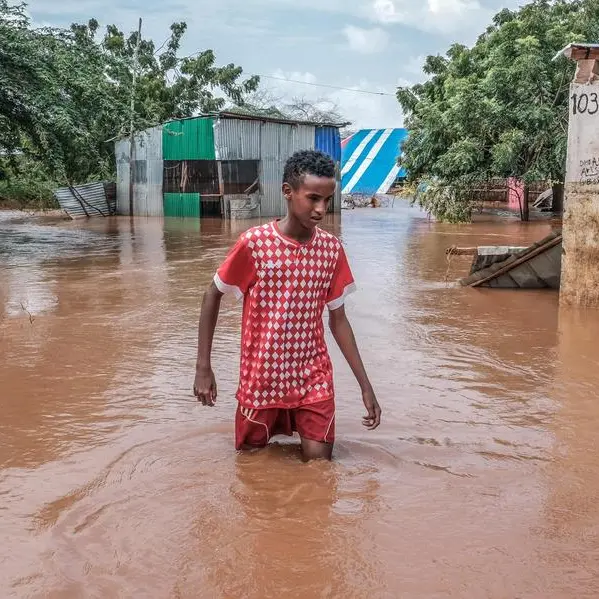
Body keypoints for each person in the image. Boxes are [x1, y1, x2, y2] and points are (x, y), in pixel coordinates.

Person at [193, 150, 381, 461]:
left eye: (327, 199)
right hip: (261, 378)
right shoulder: (254, 244)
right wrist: (203, 367)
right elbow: (212, 294)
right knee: (252, 466)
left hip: (313, 377)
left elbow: (339, 321)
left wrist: (366, 385)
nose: (321, 209)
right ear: (287, 192)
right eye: (313, 198)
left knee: (320, 468)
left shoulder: (332, 250)